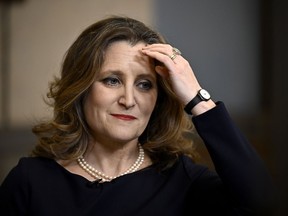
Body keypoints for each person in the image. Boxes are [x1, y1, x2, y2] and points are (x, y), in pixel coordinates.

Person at [0, 16, 275, 215]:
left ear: (158, 98)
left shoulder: (182, 181)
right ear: (81, 89)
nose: (129, 100)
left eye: (145, 85)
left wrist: (197, 98)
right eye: (111, 80)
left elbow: (263, 202)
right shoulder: (29, 181)